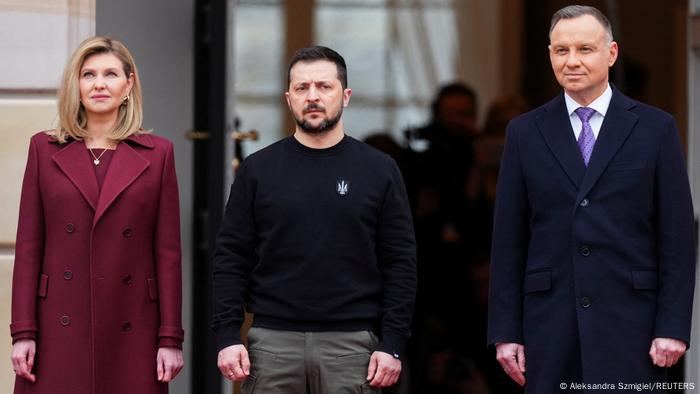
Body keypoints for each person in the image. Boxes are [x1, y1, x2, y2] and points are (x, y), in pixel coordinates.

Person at [488, 5, 696, 393]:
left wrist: (672, 327)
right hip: (548, 325)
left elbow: (678, 239)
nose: (572, 61)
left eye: (585, 49)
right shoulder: (524, 132)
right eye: (561, 50)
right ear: (549, 54)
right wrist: (505, 332)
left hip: (633, 325)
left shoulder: (655, 129)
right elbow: (508, 240)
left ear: (611, 53)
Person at [212, 45, 417, 393]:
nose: (313, 96)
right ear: (288, 98)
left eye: (324, 86)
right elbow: (231, 257)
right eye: (302, 88)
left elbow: (400, 262)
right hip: (273, 345)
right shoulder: (258, 171)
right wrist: (228, 334)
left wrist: (393, 341)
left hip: (352, 347)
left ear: (345, 95)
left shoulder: (378, 170)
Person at [10, 36, 184, 394]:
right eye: (88, 74)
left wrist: (170, 337)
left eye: (110, 74)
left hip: (132, 323)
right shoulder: (43, 149)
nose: (99, 84)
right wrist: (23, 332)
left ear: (129, 84)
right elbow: (28, 247)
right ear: (76, 85)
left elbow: (167, 254)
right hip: (57, 322)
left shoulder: (158, 154)